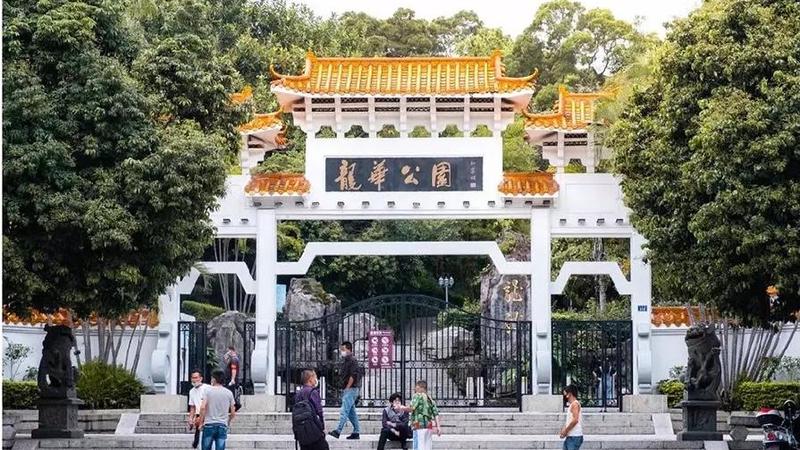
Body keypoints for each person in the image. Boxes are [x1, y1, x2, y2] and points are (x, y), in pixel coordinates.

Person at [328, 341, 361, 440]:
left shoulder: (353, 360)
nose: (341, 351)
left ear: (349, 349)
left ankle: (338, 431)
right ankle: (356, 432)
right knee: (351, 413)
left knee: (344, 410)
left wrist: (347, 388)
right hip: (349, 388)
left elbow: (353, 375)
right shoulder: (346, 360)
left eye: (343, 349)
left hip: (351, 388)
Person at [199, 369, 236, 450]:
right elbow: (233, 412)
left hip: (209, 424)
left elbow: (202, 407)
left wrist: (201, 422)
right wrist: (228, 422)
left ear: (214, 379)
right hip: (222, 425)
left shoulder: (207, 391)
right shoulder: (229, 393)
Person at [398, 380, 441, 450]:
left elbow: (411, 408)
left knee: (418, 446)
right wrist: (438, 427)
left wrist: (402, 407)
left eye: (416, 387)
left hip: (417, 424)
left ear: (420, 387)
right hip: (428, 425)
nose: (415, 389)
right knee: (427, 447)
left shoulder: (417, 396)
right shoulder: (430, 399)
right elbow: (436, 414)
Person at [294, 369, 329, 450]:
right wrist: (322, 427)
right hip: (314, 431)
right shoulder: (313, 392)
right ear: (310, 379)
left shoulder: (298, 394)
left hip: (302, 433)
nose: (316, 380)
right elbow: (319, 411)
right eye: (315, 377)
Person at [187, 369, 209, 449]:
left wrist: (202, 417)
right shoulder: (191, 391)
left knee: (205, 438)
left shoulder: (207, 388)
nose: (194, 380)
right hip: (198, 416)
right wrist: (190, 419)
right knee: (197, 440)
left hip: (207, 415)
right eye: (193, 378)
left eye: (196, 377)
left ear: (201, 378)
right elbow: (192, 406)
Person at [559, 384, 583, 450]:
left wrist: (566, 431)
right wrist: (564, 430)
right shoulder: (572, 404)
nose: (564, 396)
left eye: (565, 394)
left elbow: (575, 420)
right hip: (571, 436)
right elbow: (570, 420)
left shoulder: (575, 404)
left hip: (574, 436)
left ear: (569, 394)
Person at [223, 346, 242, 411]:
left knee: (231, 393)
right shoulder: (232, 359)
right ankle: (231, 407)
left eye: (228, 351)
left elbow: (234, 370)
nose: (227, 352)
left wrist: (232, 379)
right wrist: (226, 356)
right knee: (230, 392)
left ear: (231, 351)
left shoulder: (234, 359)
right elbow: (226, 361)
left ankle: (233, 407)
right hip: (229, 378)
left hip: (231, 379)